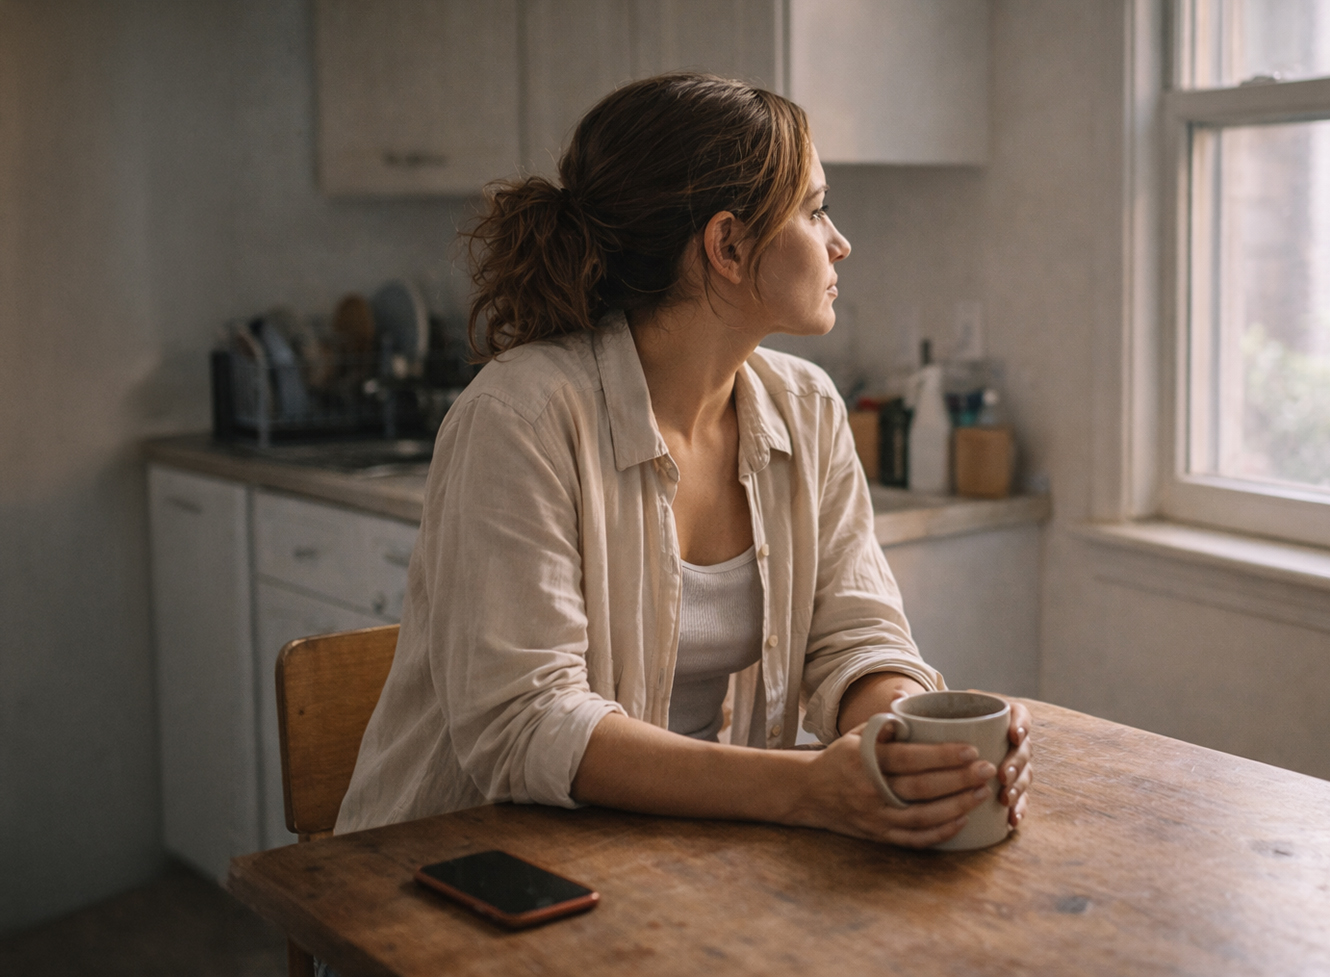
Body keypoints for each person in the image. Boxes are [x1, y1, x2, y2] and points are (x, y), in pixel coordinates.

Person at [334, 73, 1032, 848]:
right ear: (728, 246)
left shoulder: (811, 410)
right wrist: (806, 789)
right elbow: (528, 723)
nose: (840, 240)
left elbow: (855, 636)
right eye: (814, 207)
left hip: (668, 857)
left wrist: (908, 744)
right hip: (445, 877)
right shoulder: (520, 416)